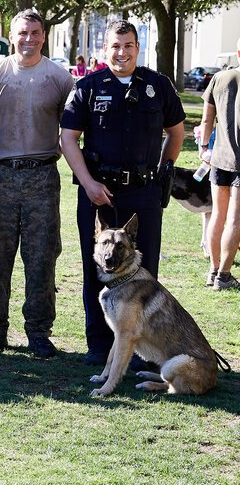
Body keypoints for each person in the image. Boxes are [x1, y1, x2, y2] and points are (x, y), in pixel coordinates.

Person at [60, 19, 185, 365]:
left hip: (143, 193)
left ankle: (143, 347)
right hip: (98, 192)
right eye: (115, 45)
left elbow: (176, 131)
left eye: (128, 45)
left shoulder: (158, 86)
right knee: (96, 267)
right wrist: (87, 182)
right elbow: (68, 139)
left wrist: (164, 169)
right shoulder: (88, 86)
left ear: (137, 48)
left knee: (144, 272)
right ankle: (99, 345)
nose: (122, 52)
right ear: (106, 49)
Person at [0, 9, 74, 358]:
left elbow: (70, 133)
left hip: (43, 177)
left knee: (42, 256)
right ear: (12, 37)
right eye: (22, 33)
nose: (28, 39)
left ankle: (39, 332)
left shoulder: (60, 79)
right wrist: (1, 153)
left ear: (43, 36)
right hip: (1, 176)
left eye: (34, 32)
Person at [198, 36, 240, 291]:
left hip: (219, 159)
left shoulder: (219, 78)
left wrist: (204, 148)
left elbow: (206, 121)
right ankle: (224, 275)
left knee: (217, 216)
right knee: (235, 219)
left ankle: (213, 271)